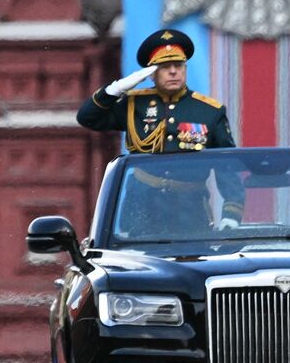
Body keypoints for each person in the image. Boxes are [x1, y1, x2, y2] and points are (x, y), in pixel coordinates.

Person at [77, 29, 241, 233]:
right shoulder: (134, 105)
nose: (173, 71)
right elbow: (87, 118)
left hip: (189, 212)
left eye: (178, 66)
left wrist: (231, 213)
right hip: (142, 209)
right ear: (152, 74)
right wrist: (114, 90)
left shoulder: (208, 111)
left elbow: (227, 166)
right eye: (164, 67)